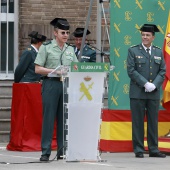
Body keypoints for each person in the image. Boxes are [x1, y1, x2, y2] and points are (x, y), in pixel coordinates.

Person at [34, 18, 78, 161]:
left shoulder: (70, 49)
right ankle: (45, 152)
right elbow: (37, 68)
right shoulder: (46, 47)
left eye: (67, 32)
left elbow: (76, 68)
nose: (65, 35)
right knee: (48, 119)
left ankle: (62, 151)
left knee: (64, 119)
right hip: (51, 84)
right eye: (62, 32)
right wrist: (54, 71)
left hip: (66, 85)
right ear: (55, 33)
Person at [127, 24, 166, 158]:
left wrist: (154, 85)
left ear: (153, 37)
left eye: (148, 35)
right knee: (137, 121)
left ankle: (153, 149)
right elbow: (131, 71)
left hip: (153, 93)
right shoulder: (133, 51)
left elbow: (162, 70)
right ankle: (138, 149)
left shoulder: (158, 51)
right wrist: (145, 84)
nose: (145, 37)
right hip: (137, 92)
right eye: (143, 35)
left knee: (153, 121)